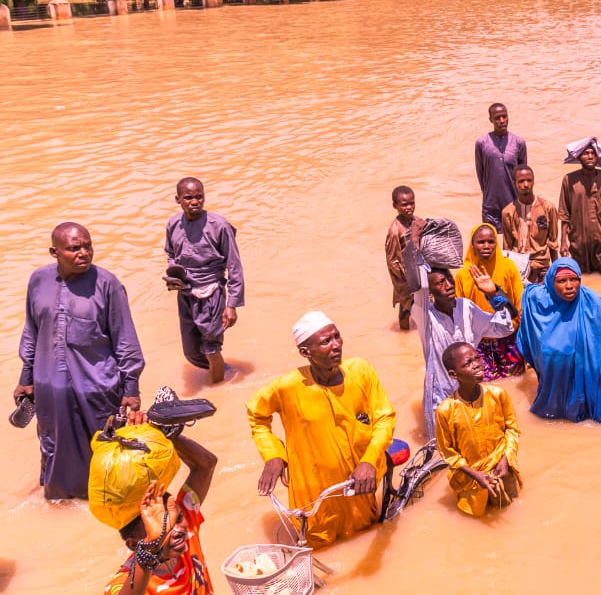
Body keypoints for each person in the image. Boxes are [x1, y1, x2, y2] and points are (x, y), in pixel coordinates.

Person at [16, 222, 145, 500]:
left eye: (88, 246)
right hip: (50, 388)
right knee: (53, 448)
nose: (84, 253)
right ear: (55, 252)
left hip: (97, 387)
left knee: (106, 450)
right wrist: (25, 377)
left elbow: (125, 338)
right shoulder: (38, 281)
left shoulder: (108, 284)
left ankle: (108, 508)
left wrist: (131, 388)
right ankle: (60, 508)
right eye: (75, 248)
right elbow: (31, 331)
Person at [248, 312, 395, 548]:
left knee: (367, 537)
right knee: (317, 546)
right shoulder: (287, 387)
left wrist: (368, 461)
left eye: (337, 336)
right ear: (306, 352)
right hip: (314, 492)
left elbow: (385, 418)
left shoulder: (360, 371)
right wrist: (274, 455)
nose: (336, 345)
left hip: (358, 484)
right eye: (326, 341)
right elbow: (257, 416)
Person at [106, 425, 217, 595]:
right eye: (163, 528)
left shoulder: (187, 530)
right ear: (135, 544)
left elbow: (206, 465)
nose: (178, 530)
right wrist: (150, 550)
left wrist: (163, 433)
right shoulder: (126, 581)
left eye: (177, 519)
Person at [516, 258, 601, 423]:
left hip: (590, 382)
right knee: (549, 421)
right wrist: (493, 294)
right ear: (551, 283)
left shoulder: (593, 303)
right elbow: (521, 321)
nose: (569, 286)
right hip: (554, 386)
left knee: (597, 426)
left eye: (574, 279)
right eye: (561, 281)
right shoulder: (539, 304)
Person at [413, 268, 514, 436]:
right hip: (439, 395)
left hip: (470, 390)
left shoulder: (466, 307)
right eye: (440, 282)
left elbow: (503, 328)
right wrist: (416, 247)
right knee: (443, 450)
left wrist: (493, 294)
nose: (449, 285)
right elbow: (418, 290)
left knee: (476, 442)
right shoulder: (425, 316)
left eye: (450, 280)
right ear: (430, 291)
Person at [164, 177, 243, 384]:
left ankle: (217, 390)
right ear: (178, 200)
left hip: (212, 293)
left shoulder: (219, 225)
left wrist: (232, 304)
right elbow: (171, 254)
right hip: (185, 293)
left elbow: (234, 266)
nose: (194, 201)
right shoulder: (173, 224)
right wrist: (174, 274)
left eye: (199, 196)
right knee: (191, 352)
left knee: (211, 347)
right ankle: (226, 371)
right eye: (188, 197)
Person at [434, 342, 521, 516]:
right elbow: (447, 452)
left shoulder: (498, 395)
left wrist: (505, 459)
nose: (477, 365)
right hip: (469, 479)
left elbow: (512, 430)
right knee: (474, 518)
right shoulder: (445, 410)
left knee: (508, 511)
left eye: (477, 359)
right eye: (467, 363)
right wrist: (475, 474)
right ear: (453, 374)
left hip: (501, 470)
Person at [454, 224, 525, 379]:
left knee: (515, 381)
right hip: (479, 341)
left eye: (491, 241)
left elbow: (520, 305)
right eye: (481, 242)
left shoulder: (508, 268)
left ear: (496, 243)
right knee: (482, 385)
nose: (486, 246)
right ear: (472, 245)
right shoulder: (463, 275)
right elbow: (459, 315)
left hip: (508, 338)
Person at [558, 139, 601, 275]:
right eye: (586, 153)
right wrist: (563, 241)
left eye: (593, 153)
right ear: (579, 157)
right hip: (578, 244)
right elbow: (564, 214)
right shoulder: (569, 180)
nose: (590, 156)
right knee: (581, 280)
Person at [500, 166, 559, 286]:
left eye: (529, 180)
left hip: (542, 268)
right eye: (521, 181)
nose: (526, 184)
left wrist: (557, 270)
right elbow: (507, 248)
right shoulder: (508, 212)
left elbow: (553, 243)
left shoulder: (548, 207)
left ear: (533, 181)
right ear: (514, 183)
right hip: (518, 269)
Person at [474, 103, 528, 229]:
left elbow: (524, 175)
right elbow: (480, 173)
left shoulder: (519, 142)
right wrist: (488, 194)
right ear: (491, 120)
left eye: (504, 116)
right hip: (491, 206)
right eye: (497, 118)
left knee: (515, 245)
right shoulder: (481, 143)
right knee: (491, 244)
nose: (502, 121)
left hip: (514, 204)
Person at [385, 185, 424, 330]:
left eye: (411, 203)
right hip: (404, 277)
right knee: (407, 305)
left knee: (418, 303)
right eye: (404, 204)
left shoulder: (419, 222)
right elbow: (392, 260)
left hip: (420, 270)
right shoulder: (395, 230)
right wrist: (407, 279)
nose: (409, 207)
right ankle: (405, 331)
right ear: (395, 206)